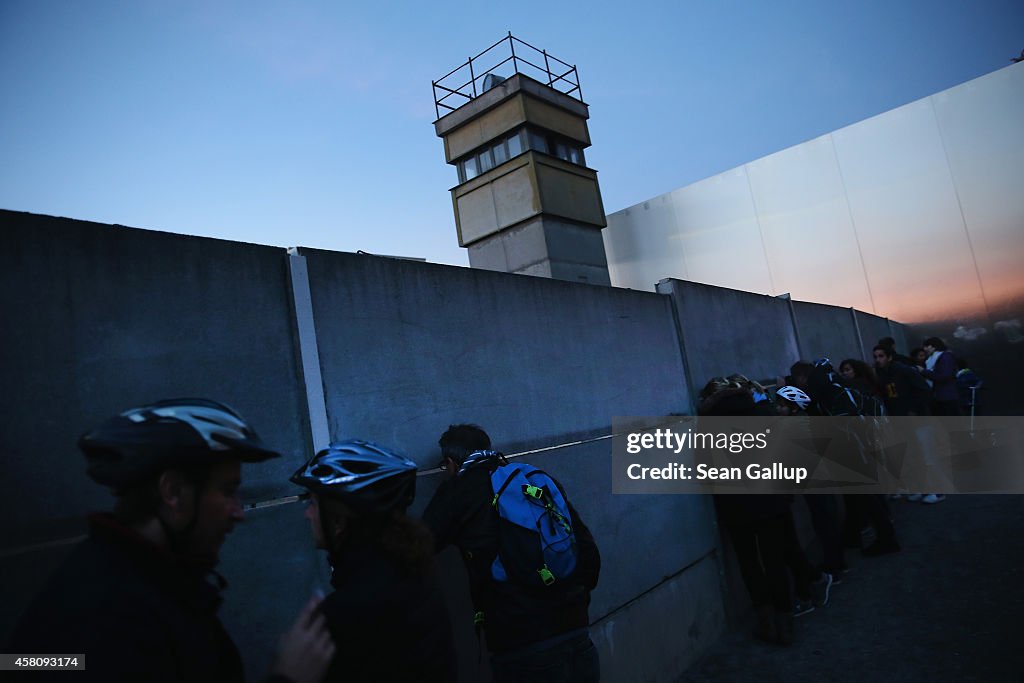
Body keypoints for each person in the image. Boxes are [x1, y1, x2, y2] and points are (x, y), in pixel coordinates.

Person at [9, 399, 335, 683]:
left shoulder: (144, 584)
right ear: (173, 492)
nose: (239, 513)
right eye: (227, 490)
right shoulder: (102, 617)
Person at [423, 424, 600, 683]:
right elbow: (587, 550)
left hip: (522, 646)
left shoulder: (459, 491)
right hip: (577, 632)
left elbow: (417, 545)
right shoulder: (531, 480)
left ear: (450, 463)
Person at [290, 440, 457, 683]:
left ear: (338, 521)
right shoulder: (410, 576)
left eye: (313, 503)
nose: (307, 514)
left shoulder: (348, 612)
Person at [921, 337, 960, 416]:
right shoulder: (934, 358)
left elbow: (944, 376)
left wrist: (923, 371)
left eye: (927, 346)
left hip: (946, 396)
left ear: (934, 347)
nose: (924, 349)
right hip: (941, 396)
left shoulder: (945, 356)